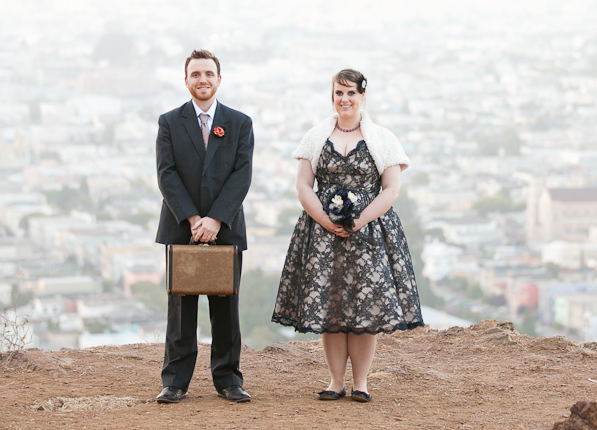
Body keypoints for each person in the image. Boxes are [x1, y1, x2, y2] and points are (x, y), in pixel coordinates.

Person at [271, 68, 423, 403]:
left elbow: (391, 189)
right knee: (332, 307)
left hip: (370, 235)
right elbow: (302, 185)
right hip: (323, 235)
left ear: (362, 96)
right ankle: (336, 381)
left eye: (351, 93)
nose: (344, 99)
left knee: (364, 309)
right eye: (339, 93)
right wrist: (326, 221)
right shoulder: (315, 137)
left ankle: (362, 382)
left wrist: (360, 220)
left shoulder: (382, 138)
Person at [154, 49, 254, 404]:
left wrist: (215, 219)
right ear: (186, 80)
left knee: (226, 306)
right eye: (195, 74)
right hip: (182, 226)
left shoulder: (240, 123)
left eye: (208, 74)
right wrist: (195, 219)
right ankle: (175, 381)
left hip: (225, 227)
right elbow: (166, 174)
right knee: (180, 309)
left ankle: (228, 379)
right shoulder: (169, 122)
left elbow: (242, 175)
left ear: (219, 79)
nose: (202, 80)